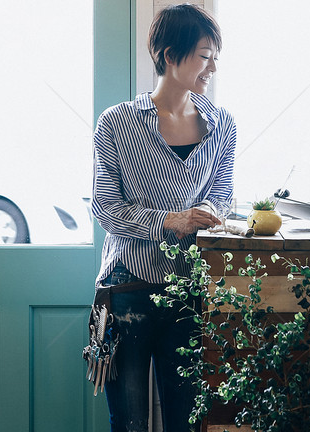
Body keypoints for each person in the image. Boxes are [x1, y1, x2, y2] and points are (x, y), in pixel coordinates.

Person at [90, 4, 235, 431]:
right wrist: (171, 221)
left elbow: (222, 192)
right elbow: (106, 209)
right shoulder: (117, 123)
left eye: (214, 57)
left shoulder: (222, 124)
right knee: (131, 422)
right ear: (170, 56)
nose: (211, 67)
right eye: (204, 55)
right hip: (126, 290)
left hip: (189, 291)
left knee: (187, 421)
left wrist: (210, 211)